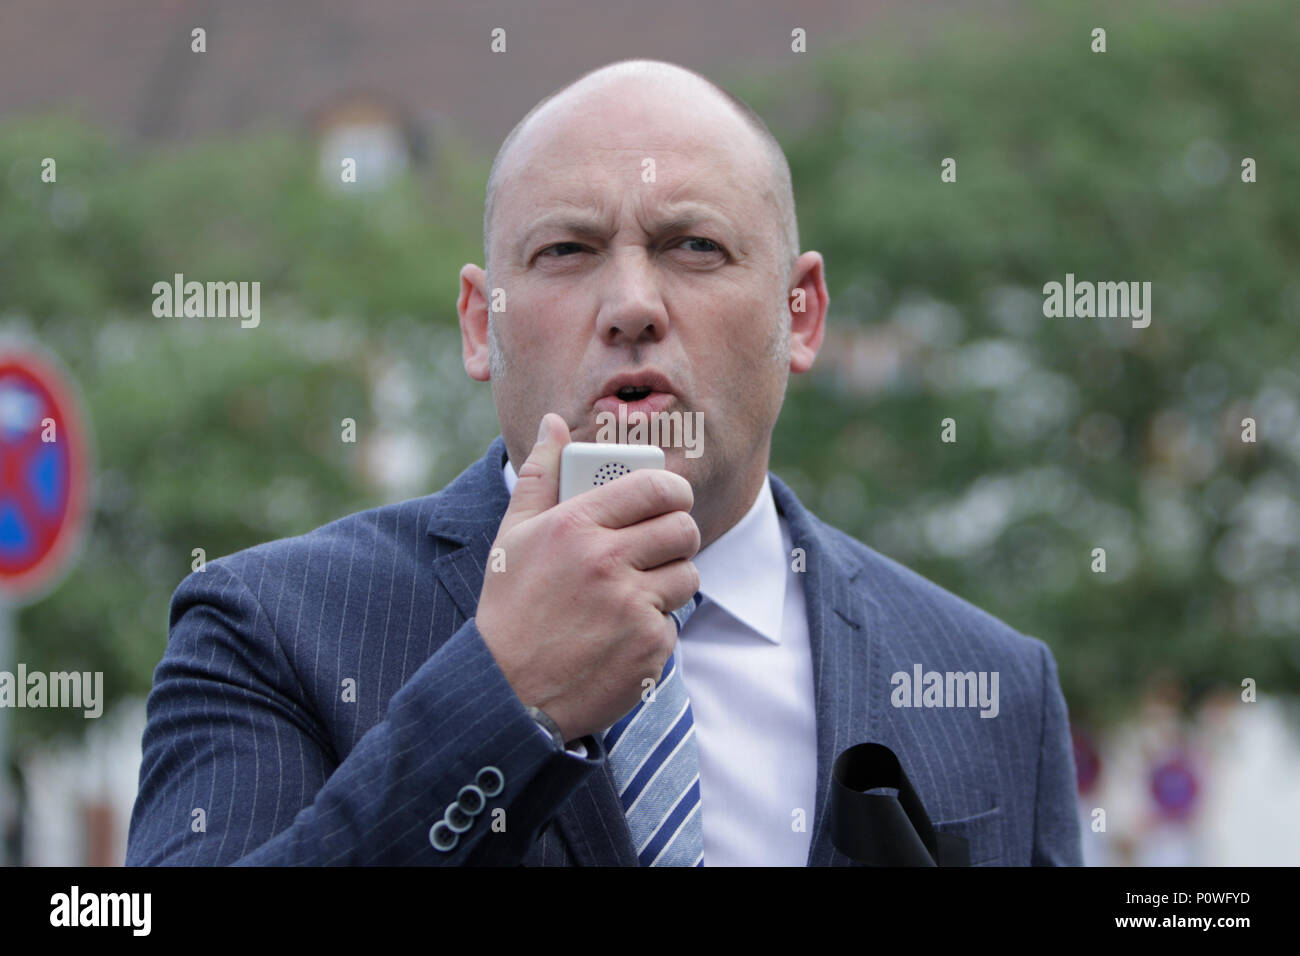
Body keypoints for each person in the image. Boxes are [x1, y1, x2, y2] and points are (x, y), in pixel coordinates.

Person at [126, 58, 1082, 866]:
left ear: (802, 314)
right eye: (568, 250)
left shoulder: (995, 686)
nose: (632, 303)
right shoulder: (267, 633)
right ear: (479, 324)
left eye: (694, 246)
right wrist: (505, 699)